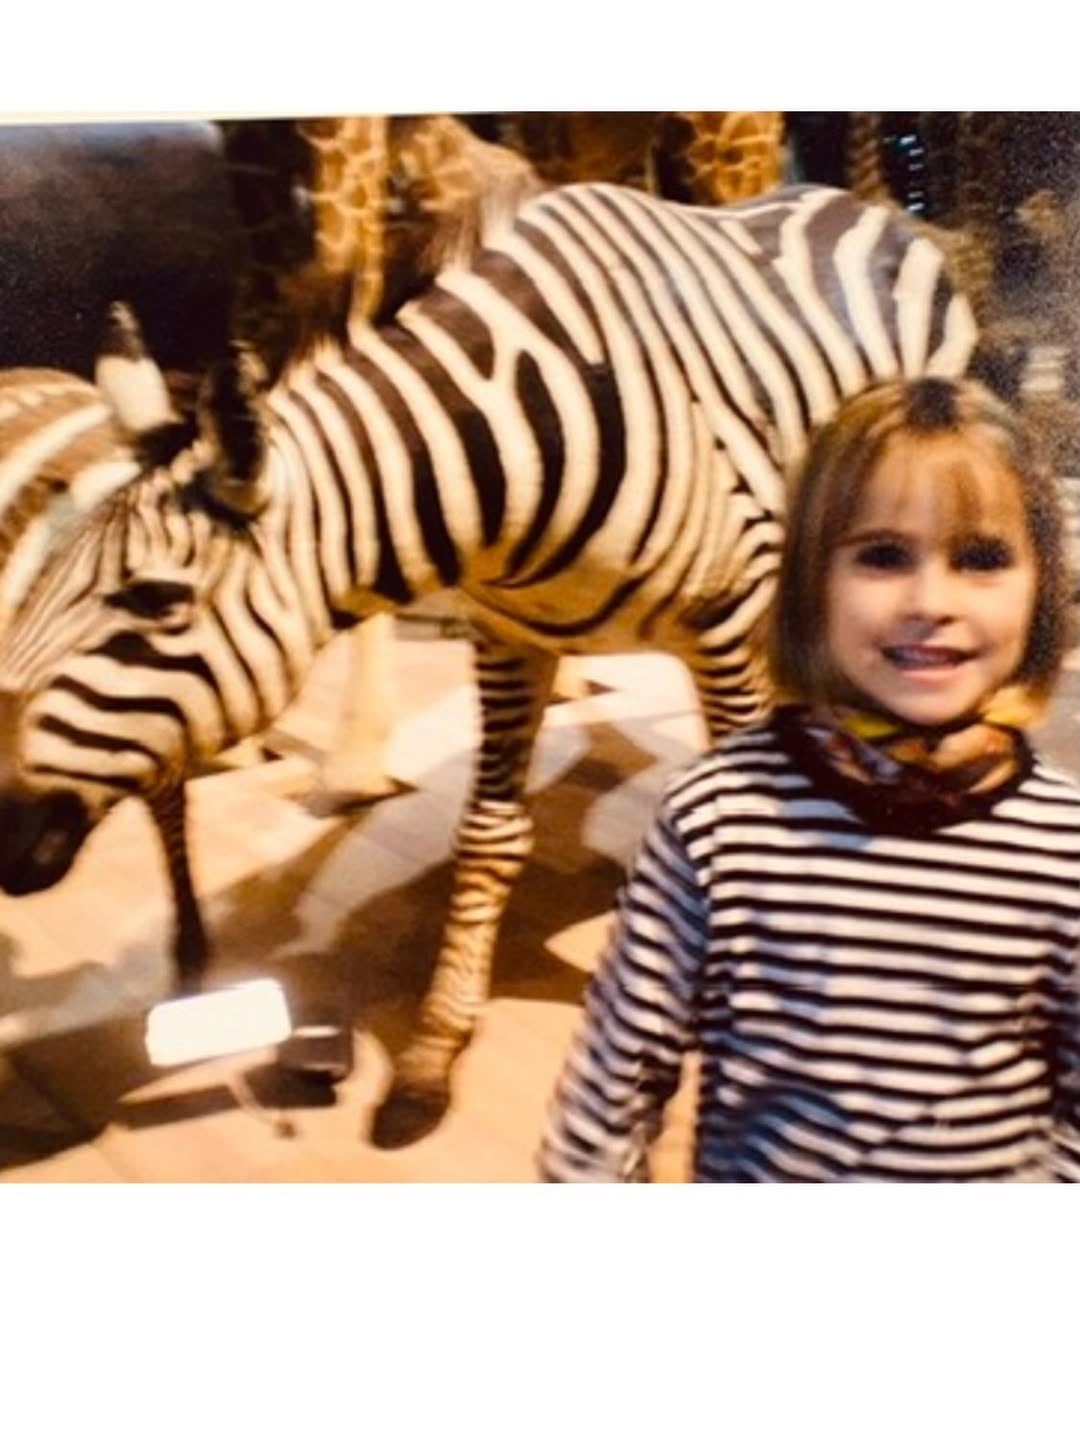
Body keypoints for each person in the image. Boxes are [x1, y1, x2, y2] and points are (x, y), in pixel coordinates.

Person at [537, 375, 1080, 1182]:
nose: (931, 600)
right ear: (811, 585)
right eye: (883, 556)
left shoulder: (1064, 843)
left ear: (1041, 589)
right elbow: (611, 1089)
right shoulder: (720, 819)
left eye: (982, 558)